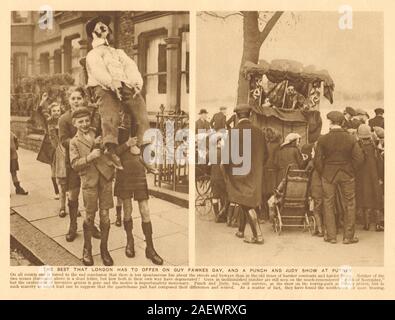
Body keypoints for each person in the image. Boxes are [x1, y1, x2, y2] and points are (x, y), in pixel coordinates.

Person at [85, 15, 150, 169]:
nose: (104, 27)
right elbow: (98, 71)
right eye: (99, 26)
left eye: (105, 25)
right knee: (110, 113)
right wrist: (111, 83)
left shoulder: (118, 52)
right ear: (93, 33)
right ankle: (110, 147)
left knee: (140, 108)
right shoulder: (93, 54)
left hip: (123, 83)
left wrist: (136, 83)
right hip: (103, 85)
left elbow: (131, 67)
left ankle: (141, 146)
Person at [69, 107, 115, 266]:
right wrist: (89, 156)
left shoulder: (98, 132)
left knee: (105, 216)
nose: (84, 124)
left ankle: (104, 249)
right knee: (89, 216)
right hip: (89, 182)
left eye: (87, 120)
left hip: (105, 179)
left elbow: (108, 151)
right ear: (75, 123)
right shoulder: (74, 142)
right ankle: (87, 249)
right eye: (80, 122)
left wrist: (105, 150)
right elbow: (74, 164)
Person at [113, 126, 163, 265]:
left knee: (145, 210)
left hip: (139, 174)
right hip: (124, 174)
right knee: (127, 210)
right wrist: (126, 145)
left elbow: (140, 155)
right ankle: (130, 241)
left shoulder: (139, 129)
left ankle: (150, 248)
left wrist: (148, 167)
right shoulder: (116, 129)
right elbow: (111, 153)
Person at [314, 111, 364, 244]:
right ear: (342, 123)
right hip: (347, 173)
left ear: (330, 122)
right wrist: (351, 170)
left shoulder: (322, 139)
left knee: (328, 203)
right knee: (350, 204)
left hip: (328, 174)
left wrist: (323, 172)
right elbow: (359, 159)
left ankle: (331, 236)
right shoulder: (351, 138)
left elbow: (317, 160)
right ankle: (348, 237)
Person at [58, 87, 101, 242]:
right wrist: (82, 146)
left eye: (78, 98)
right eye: (73, 98)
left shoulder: (89, 116)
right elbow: (63, 140)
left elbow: (96, 133)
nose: (76, 101)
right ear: (68, 101)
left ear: (83, 99)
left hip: (91, 164)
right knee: (74, 194)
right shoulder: (63, 119)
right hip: (73, 162)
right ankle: (73, 225)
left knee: (90, 195)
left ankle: (90, 224)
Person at [223, 104, 267, 244]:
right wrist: (257, 167)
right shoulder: (259, 132)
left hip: (239, 173)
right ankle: (241, 230)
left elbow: (226, 158)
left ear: (237, 116)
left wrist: (227, 172)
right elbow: (266, 155)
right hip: (255, 173)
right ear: (250, 115)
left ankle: (258, 236)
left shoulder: (234, 132)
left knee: (246, 203)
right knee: (245, 199)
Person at [355, 124, 383, 231]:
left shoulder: (358, 147)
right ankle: (377, 225)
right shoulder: (374, 148)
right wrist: (380, 177)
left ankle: (366, 225)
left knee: (364, 199)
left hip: (362, 178)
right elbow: (380, 164)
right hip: (374, 177)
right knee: (376, 199)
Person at [261, 128, 282, 221]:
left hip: (265, 171)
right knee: (275, 193)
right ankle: (275, 215)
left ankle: (264, 216)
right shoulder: (278, 146)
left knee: (264, 194)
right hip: (274, 172)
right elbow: (278, 161)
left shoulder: (265, 145)